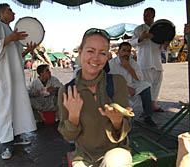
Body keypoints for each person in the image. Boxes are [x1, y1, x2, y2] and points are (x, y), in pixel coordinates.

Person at [58, 28, 133, 167]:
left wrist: (117, 122)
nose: (95, 58)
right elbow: (69, 137)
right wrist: (73, 116)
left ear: (107, 57)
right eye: (90, 51)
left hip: (115, 151)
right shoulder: (67, 91)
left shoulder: (117, 82)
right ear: (80, 52)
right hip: (84, 156)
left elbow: (126, 127)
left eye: (102, 53)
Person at [0, 3, 37, 160]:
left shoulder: (10, 31)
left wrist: (26, 51)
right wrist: (10, 38)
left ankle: (17, 136)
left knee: (16, 105)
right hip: (2, 77)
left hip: (14, 77)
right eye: (10, 10)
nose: (13, 13)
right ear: (2, 13)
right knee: (3, 108)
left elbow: (15, 56)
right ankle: (6, 144)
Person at [131, 7, 169, 113]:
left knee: (156, 84)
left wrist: (166, 44)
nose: (145, 18)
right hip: (144, 62)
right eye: (144, 15)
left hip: (157, 62)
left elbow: (162, 47)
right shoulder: (139, 29)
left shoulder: (159, 29)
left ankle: (153, 105)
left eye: (148, 15)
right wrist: (141, 38)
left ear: (153, 16)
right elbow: (132, 43)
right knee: (146, 86)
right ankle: (146, 108)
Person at [109, 42, 157, 127]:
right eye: (124, 50)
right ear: (118, 52)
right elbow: (111, 81)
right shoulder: (112, 64)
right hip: (118, 88)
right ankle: (123, 117)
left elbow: (139, 79)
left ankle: (148, 116)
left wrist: (129, 67)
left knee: (146, 86)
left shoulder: (133, 62)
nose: (126, 53)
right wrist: (126, 88)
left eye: (128, 51)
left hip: (132, 85)